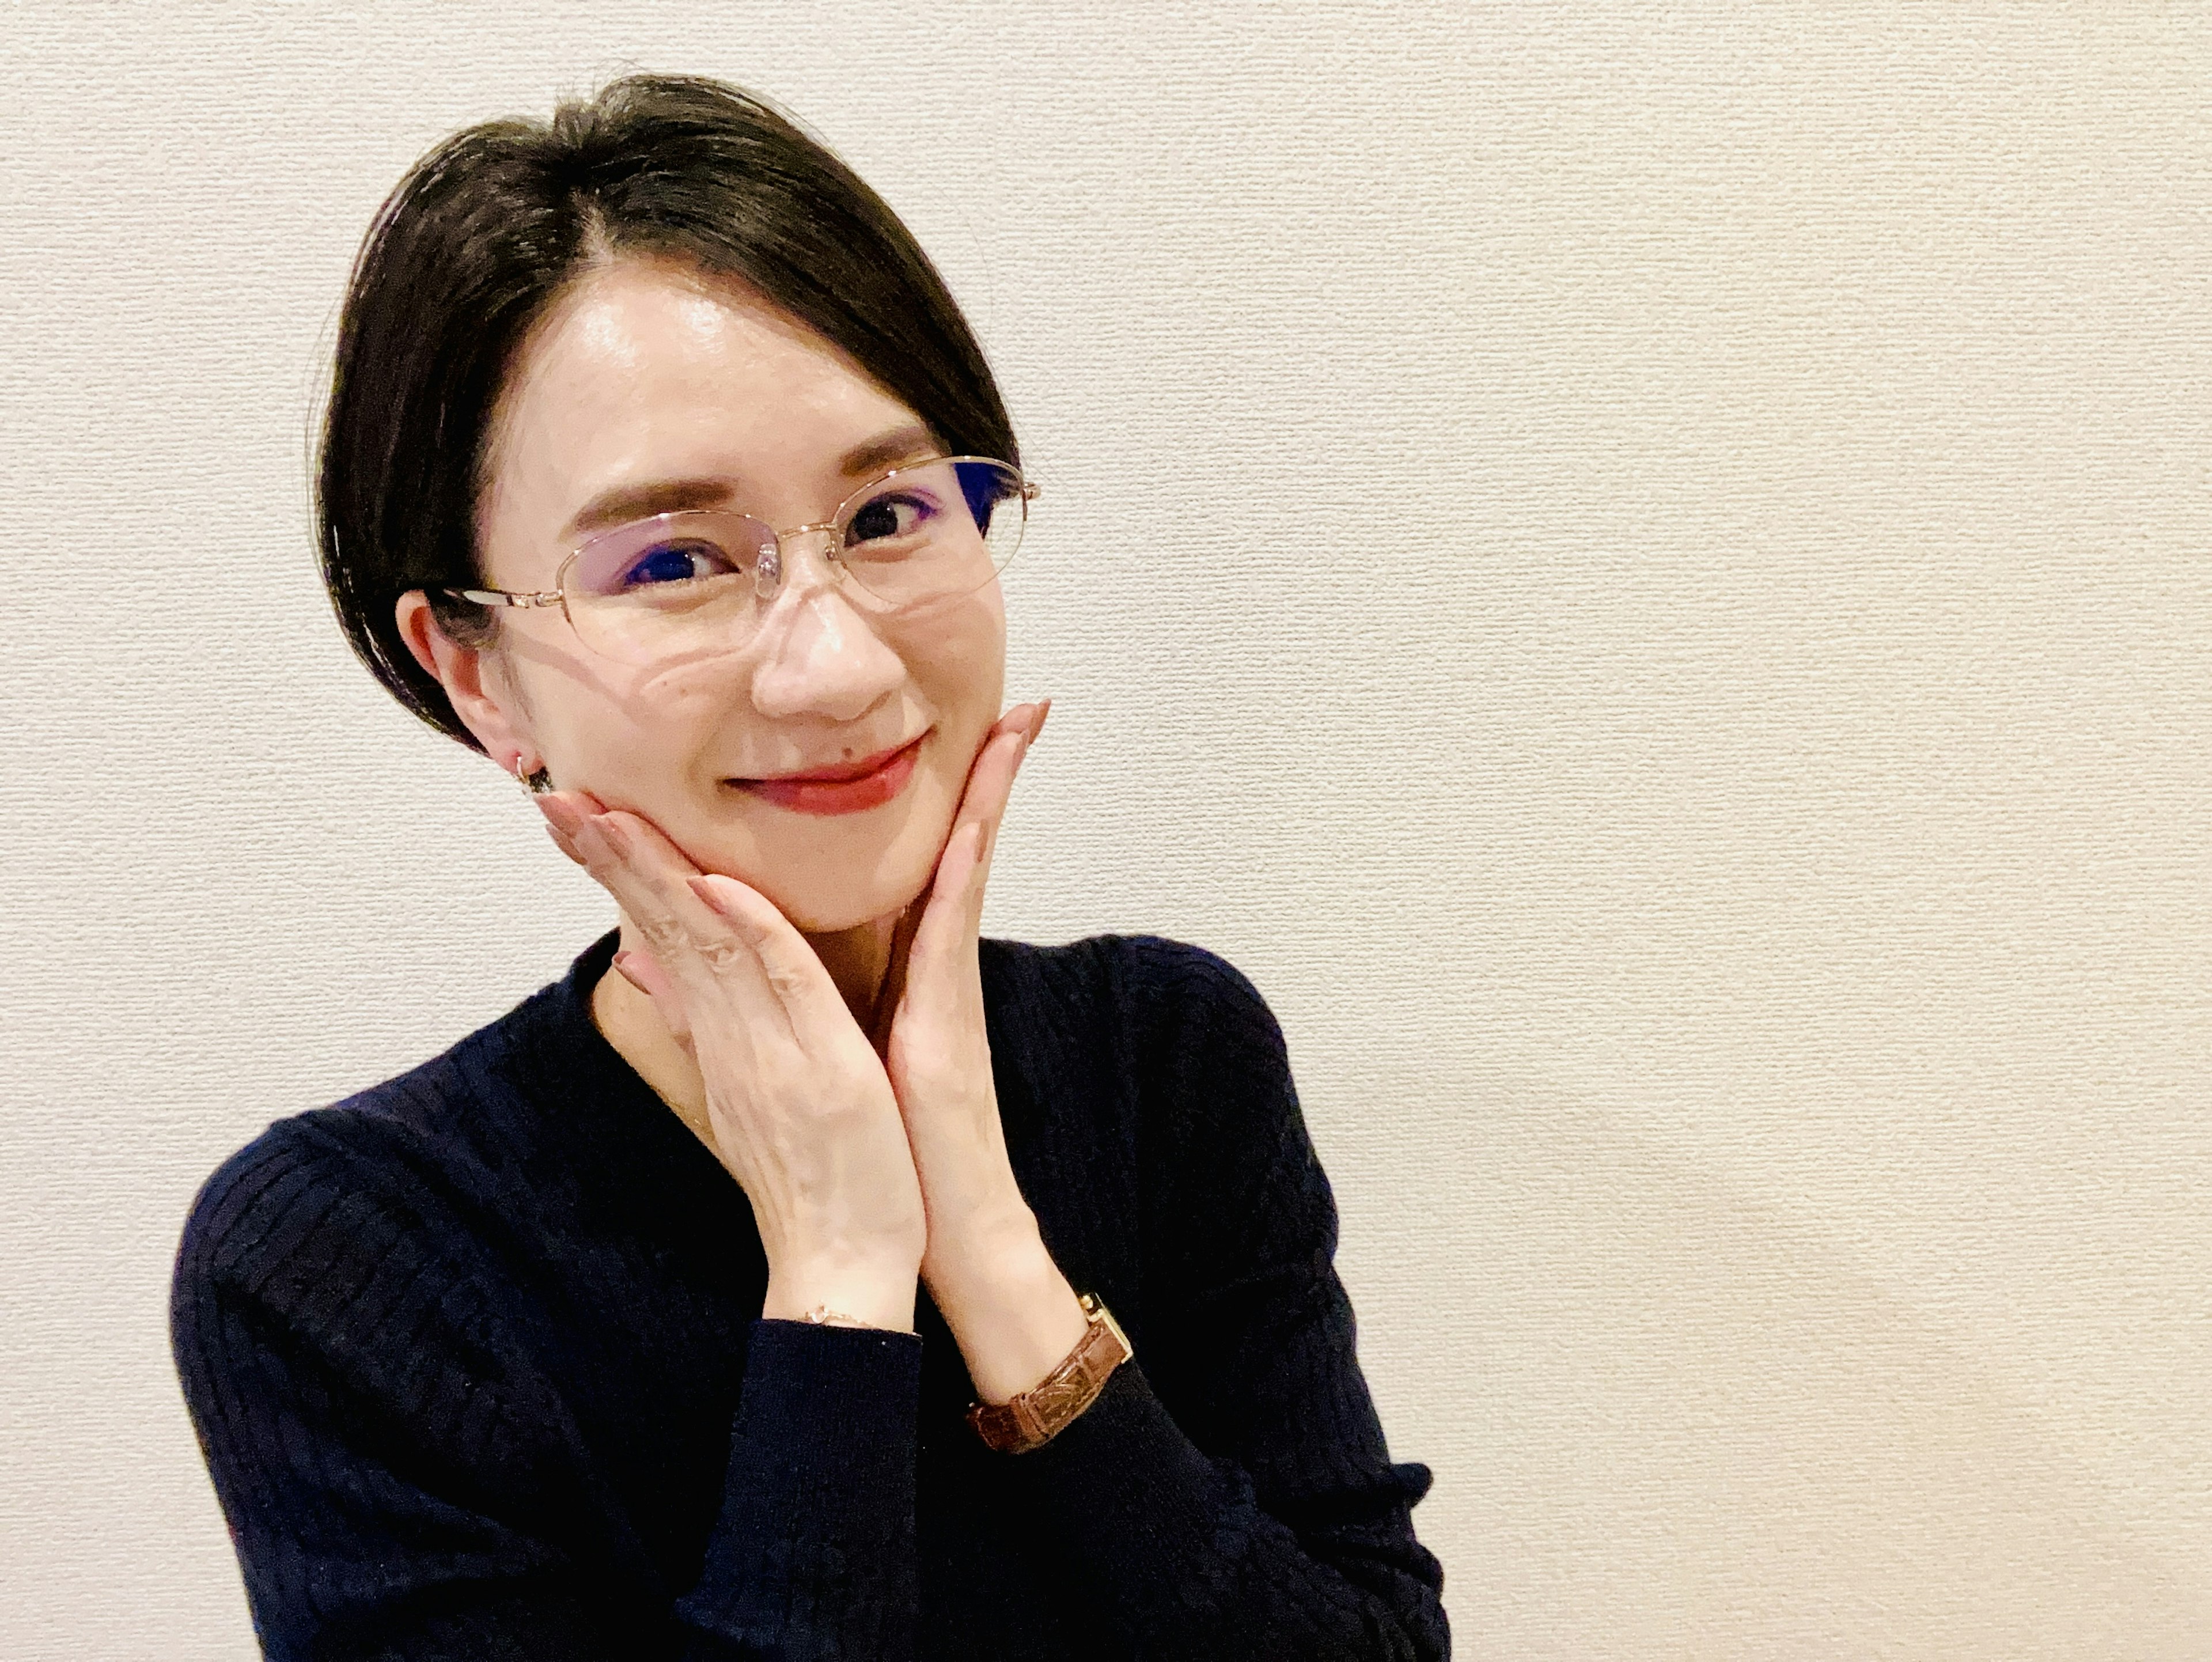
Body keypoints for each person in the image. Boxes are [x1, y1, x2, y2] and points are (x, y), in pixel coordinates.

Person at [168, 72, 1450, 1661]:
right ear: (479, 674)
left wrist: (991, 1254)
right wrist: (841, 1274)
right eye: (675, 562)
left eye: (891, 512)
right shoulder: (344, 1267)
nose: (835, 666)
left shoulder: (1169, 1062)